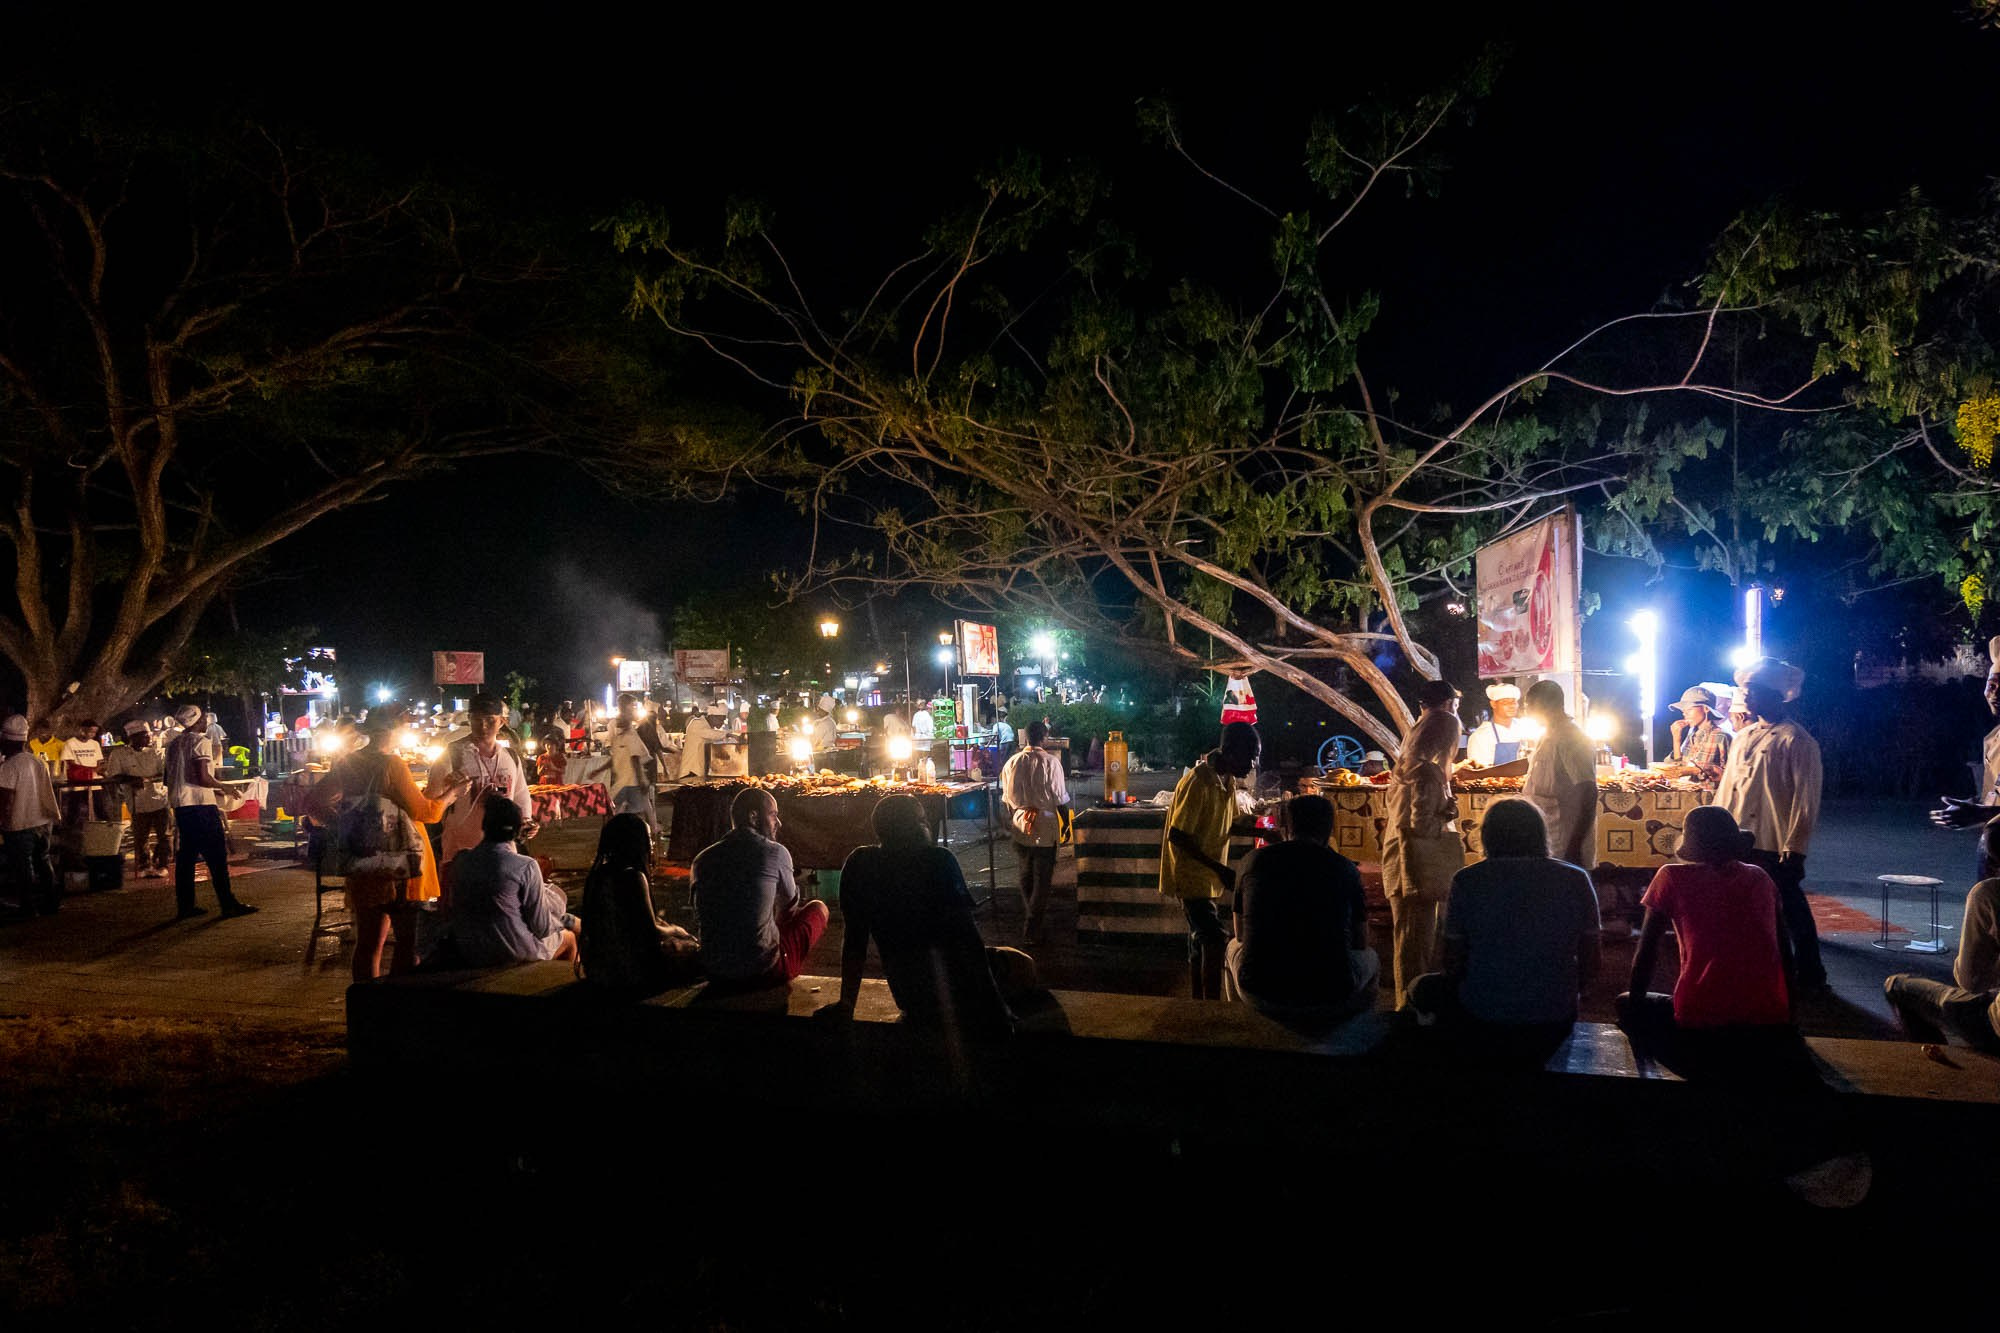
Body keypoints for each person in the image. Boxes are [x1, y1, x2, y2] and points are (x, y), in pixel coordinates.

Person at [1618, 805, 1806, 1080]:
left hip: (1701, 1018)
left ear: (1692, 847)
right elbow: (1785, 953)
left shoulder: (1670, 877)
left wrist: (1635, 1015)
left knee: (1625, 1004)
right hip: (1769, 1017)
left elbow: (1645, 957)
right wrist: (1790, 1018)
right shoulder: (1760, 878)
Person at [1407, 798, 1600, 1065]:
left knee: (1419, 988)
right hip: (1555, 1013)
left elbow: (1452, 960)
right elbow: (1591, 961)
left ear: (1487, 835)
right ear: (1540, 834)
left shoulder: (1468, 880)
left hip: (1483, 1010)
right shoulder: (1576, 878)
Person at [829, 793, 1033, 1036]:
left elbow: (854, 942)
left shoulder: (859, 865)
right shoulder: (939, 861)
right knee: (1024, 966)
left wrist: (847, 1004)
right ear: (910, 826)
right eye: (921, 820)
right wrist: (998, 1008)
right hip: (955, 987)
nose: (926, 825)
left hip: (906, 992)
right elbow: (969, 941)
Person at [304, 707, 469, 982]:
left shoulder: (348, 763)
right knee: (407, 942)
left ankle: (366, 1007)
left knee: (368, 943)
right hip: (400, 868)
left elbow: (313, 803)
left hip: (364, 863)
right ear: (393, 732)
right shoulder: (392, 764)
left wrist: (345, 824)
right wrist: (451, 795)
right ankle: (397, 1005)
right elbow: (426, 813)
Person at [1714, 656, 1826, 990]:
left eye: (1753, 691)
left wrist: (1796, 847)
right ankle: (1767, 972)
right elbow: (1727, 790)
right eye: (1745, 691)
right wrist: (1720, 833)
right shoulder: (1743, 737)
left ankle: (1809, 975)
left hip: (1774, 841)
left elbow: (1807, 799)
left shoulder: (1797, 740)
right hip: (1740, 838)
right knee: (1750, 910)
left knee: (1789, 909)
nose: (1746, 698)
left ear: (1775, 696)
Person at [1224, 794, 1377, 1026]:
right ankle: (1357, 1030)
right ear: (1328, 830)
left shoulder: (1252, 862)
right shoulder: (1345, 869)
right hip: (1331, 993)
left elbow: (1240, 934)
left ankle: (1241, 1026)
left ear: (1288, 826)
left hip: (1260, 990)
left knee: (1232, 947)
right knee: (1372, 958)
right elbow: (1360, 941)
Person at [1158, 720, 1262, 1000]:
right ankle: (1212, 1007)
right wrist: (1220, 869)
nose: (1252, 764)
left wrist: (1264, 830)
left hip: (1207, 878)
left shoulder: (1225, 780)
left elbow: (1230, 821)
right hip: (1191, 877)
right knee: (1214, 938)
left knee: (1198, 941)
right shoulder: (1198, 781)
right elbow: (1178, 836)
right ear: (1228, 751)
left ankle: (1197, 1002)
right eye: (1249, 756)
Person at [690, 787, 830, 990]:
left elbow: (702, 915)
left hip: (714, 970)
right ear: (754, 817)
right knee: (818, 908)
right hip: (762, 971)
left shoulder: (701, 859)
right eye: (773, 815)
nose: (778, 823)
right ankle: (784, 964)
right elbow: (789, 909)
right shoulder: (775, 852)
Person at [1884, 823, 2000, 1052]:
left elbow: (1971, 982)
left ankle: (1939, 1070)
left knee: (1897, 986)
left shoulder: (1989, 894)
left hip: (1995, 1026)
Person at [1382, 686, 1463, 1004]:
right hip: (1414, 860)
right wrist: (1446, 808)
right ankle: (1410, 1008)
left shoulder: (1411, 767)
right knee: (1416, 938)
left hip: (1404, 852)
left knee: (1412, 936)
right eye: (1455, 705)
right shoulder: (1427, 772)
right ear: (1447, 704)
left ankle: (1410, 1002)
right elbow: (1421, 824)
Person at [446, 794, 580, 966]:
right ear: (518, 830)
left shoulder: (461, 860)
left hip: (471, 950)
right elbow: (542, 927)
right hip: (510, 953)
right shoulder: (526, 866)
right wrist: (563, 917)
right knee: (569, 939)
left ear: (484, 826)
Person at [578, 813, 699, 997]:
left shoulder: (598, 875)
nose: (651, 845)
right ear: (635, 842)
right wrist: (676, 931)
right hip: (627, 974)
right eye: (648, 839)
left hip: (597, 969)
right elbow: (650, 930)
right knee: (697, 953)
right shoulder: (633, 876)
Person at [1483, 680, 1597, 867]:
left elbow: (1588, 791)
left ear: (1546, 704)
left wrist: (1575, 844)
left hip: (1565, 839)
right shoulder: (1548, 734)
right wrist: (1478, 774)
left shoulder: (1571, 737)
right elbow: (1528, 765)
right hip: (1547, 835)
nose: (1526, 712)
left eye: (1529, 706)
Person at [427, 693, 536, 883]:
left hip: (502, 853)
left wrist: (525, 821)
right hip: (460, 853)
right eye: (477, 720)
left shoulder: (510, 756)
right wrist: (448, 789)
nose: (483, 726)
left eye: (490, 720)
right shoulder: (452, 755)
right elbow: (431, 801)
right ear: (469, 719)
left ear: (502, 722)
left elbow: (520, 795)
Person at [164, 704, 256, 920]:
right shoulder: (200, 742)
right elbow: (203, 777)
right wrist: (224, 787)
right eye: (203, 717)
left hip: (181, 805)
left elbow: (167, 777)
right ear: (196, 721)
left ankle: (185, 906)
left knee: (186, 857)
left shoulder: (173, 744)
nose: (206, 720)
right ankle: (227, 903)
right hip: (200, 805)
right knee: (216, 855)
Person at [999, 717, 1070, 946]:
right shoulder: (1051, 762)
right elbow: (1060, 798)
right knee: (1042, 878)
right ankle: (1032, 925)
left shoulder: (1012, 763)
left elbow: (1007, 800)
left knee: (1025, 874)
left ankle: (1032, 917)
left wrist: (1012, 819)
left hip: (1020, 823)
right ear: (1045, 737)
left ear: (1025, 737)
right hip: (1045, 825)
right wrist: (1066, 823)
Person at [0, 714, 62, 916]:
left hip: (20, 823)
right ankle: (52, 903)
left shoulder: (9, 767)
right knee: (43, 861)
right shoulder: (37, 761)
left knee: (22, 867)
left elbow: (5, 798)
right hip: (43, 822)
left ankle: (28, 907)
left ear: (6, 741)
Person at [102, 720, 171, 879]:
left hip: (160, 799)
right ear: (132, 737)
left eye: (148, 735)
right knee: (141, 837)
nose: (149, 738)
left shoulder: (157, 753)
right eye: (144, 736)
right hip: (136, 802)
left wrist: (149, 779)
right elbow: (113, 776)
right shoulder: (119, 754)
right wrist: (130, 779)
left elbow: (165, 774)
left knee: (164, 835)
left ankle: (163, 864)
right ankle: (144, 865)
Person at [607, 693, 668, 832]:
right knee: (631, 808)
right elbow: (633, 756)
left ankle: (651, 826)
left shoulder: (628, 727)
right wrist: (641, 778)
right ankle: (644, 830)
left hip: (627, 775)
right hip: (630, 777)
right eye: (633, 706)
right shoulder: (625, 728)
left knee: (631, 806)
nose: (635, 709)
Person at [1666, 685, 1731, 780]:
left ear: (1706, 709)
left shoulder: (1721, 736)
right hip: (1688, 793)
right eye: (1683, 711)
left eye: (1689, 709)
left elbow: (1730, 775)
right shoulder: (1692, 736)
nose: (1685, 714)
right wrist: (1676, 740)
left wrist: (1704, 771)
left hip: (1710, 794)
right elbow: (1678, 769)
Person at [1461, 682, 1522, 768]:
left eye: (1514, 702)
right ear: (1493, 704)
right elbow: (1479, 771)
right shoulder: (1481, 736)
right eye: (1505, 702)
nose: (1511, 706)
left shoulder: (1523, 727)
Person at [59, 720, 105, 822]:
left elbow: (99, 762)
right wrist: (88, 769)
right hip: (77, 781)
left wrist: (96, 769)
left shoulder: (95, 744)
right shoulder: (70, 743)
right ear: (82, 729)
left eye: (94, 732)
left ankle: (104, 828)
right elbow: (70, 762)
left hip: (94, 780)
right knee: (74, 808)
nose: (92, 734)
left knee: (99, 807)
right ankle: (70, 830)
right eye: (90, 731)